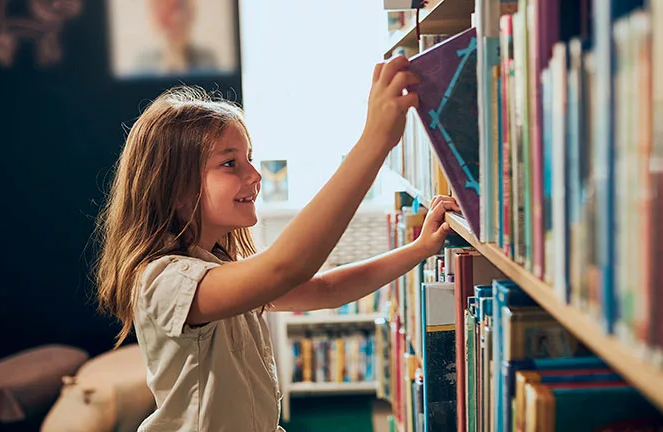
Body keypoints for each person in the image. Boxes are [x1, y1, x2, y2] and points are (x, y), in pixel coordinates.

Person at [95, 55, 459, 431]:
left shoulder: (220, 268)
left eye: (249, 158)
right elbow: (285, 268)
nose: (255, 175)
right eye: (230, 164)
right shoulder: (164, 281)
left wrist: (419, 249)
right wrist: (374, 142)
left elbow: (326, 289)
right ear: (177, 190)